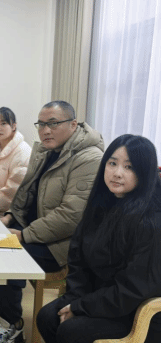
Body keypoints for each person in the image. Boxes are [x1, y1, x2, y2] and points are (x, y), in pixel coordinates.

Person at [0, 100, 104, 343]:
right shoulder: (46, 150)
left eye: (53, 123)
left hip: (64, 244)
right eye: (41, 124)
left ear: (73, 124)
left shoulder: (89, 158)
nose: (45, 130)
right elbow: (25, 195)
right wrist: (10, 217)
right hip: (35, 229)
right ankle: (2, 300)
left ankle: (12, 326)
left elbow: (70, 216)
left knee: (6, 255)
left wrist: (24, 234)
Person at [37, 134, 161, 343]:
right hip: (101, 299)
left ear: (144, 172)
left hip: (136, 312)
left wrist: (81, 307)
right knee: (48, 317)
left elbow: (133, 289)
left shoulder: (151, 221)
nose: (117, 173)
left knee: (71, 331)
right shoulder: (102, 203)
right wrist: (75, 299)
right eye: (112, 163)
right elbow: (78, 259)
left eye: (129, 167)